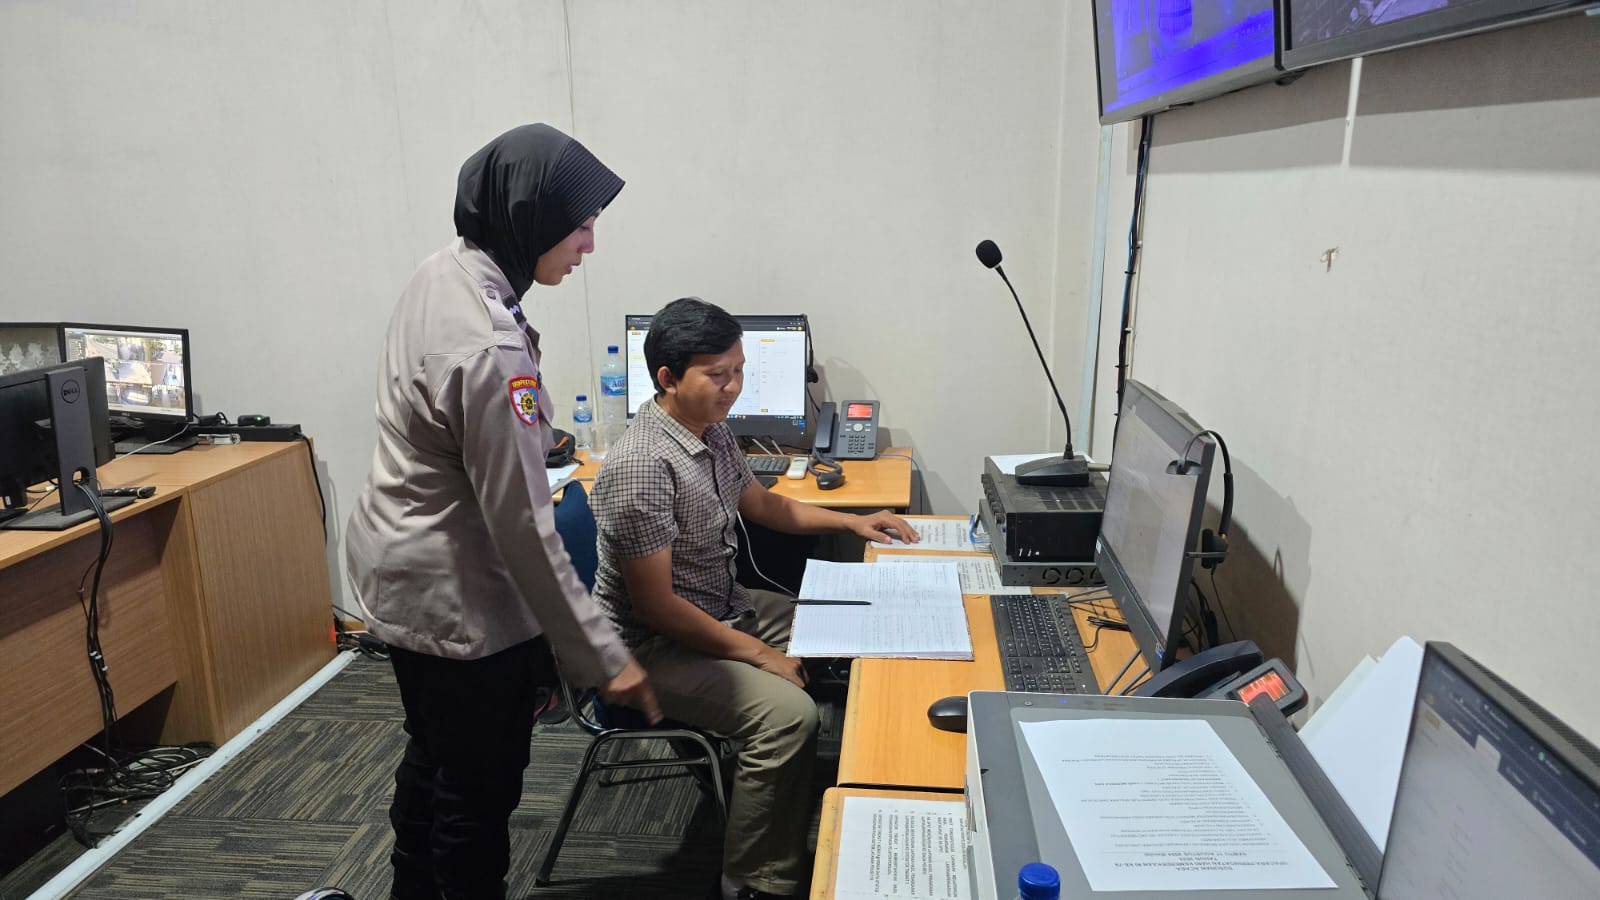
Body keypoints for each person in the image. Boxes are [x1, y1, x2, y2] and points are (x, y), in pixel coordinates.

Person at [344, 123, 660, 900]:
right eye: (580, 225)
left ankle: (412, 889)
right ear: (531, 216)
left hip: (397, 563)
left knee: (435, 752)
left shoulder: (445, 270)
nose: (589, 245)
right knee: (478, 789)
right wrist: (605, 656)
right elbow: (523, 527)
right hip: (455, 590)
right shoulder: (490, 347)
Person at [590, 297, 920, 900]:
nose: (734, 387)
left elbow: (765, 505)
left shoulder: (710, 430)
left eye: (739, 370)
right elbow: (658, 608)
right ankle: (752, 882)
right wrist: (761, 654)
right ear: (667, 378)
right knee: (788, 717)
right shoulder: (642, 466)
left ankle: (863, 788)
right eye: (718, 375)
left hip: (719, 607)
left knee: (857, 625)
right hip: (646, 648)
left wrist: (853, 521)